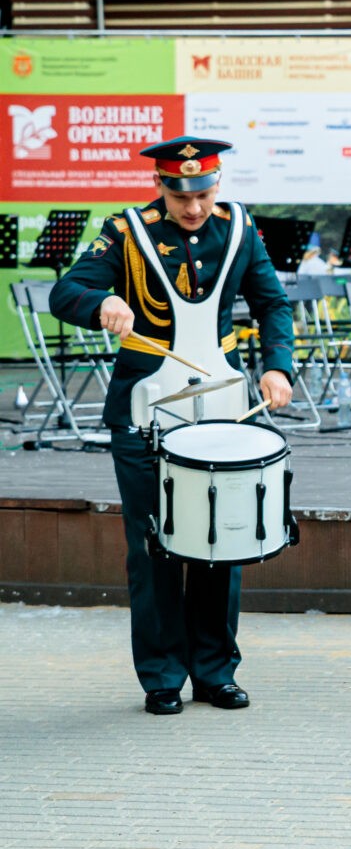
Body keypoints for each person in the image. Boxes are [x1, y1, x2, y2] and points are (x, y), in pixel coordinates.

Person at [48, 137, 294, 715]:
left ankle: (214, 671)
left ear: (218, 183)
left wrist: (278, 366)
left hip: (222, 408)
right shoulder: (127, 231)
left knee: (222, 538)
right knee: (154, 543)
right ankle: (161, 676)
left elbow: (272, 303)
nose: (194, 208)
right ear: (160, 185)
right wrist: (99, 304)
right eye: (182, 196)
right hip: (145, 414)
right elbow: (66, 291)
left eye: (205, 193)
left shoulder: (239, 228)